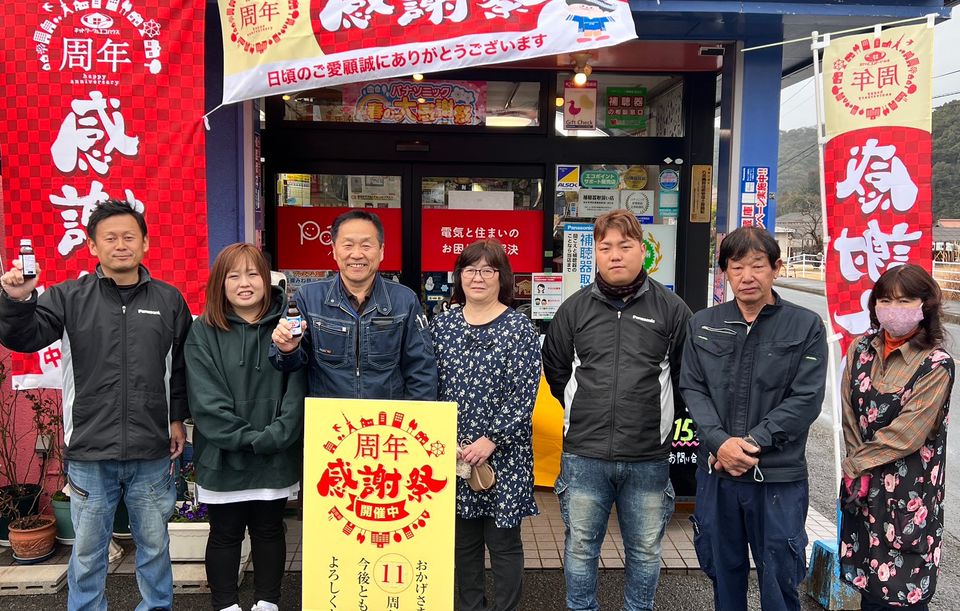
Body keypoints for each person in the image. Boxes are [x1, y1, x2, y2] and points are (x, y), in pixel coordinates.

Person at [0, 200, 191, 610]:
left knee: (155, 547)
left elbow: (179, 367)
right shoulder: (69, 297)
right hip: (89, 449)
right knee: (87, 553)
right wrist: (17, 301)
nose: (121, 245)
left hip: (151, 449)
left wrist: (177, 418)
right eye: (110, 238)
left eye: (129, 237)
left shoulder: (169, 299)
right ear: (92, 246)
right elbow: (25, 338)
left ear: (145, 243)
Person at [542, 209, 691, 611]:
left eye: (624, 246)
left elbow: (686, 377)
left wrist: (656, 419)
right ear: (595, 252)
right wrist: (583, 409)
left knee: (645, 550)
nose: (615, 255)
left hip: (648, 457)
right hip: (584, 455)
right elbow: (557, 371)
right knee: (580, 548)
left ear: (642, 249)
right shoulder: (573, 310)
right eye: (605, 247)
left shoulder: (672, 309)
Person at [679, 226, 827, 611]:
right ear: (725, 272)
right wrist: (719, 442)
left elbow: (806, 398)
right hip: (717, 474)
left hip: (777, 476)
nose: (747, 276)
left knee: (780, 579)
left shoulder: (806, 325)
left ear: (776, 268)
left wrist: (749, 443)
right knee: (723, 573)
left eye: (758, 265)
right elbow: (692, 388)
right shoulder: (703, 323)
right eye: (737, 266)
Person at [185, 244, 307, 611]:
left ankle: (268, 602)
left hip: (275, 452)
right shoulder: (203, 331)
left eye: (253, 274)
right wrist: (251, 439)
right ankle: (225, 604)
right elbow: (205, 400)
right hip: (223, 454)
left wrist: (277, 436)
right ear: (219, 283)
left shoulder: (289, 326)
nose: (244, 283)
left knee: (269, 529)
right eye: (233, 275)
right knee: (225, 532)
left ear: (267, 280)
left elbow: (297, 388)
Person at [431, 240, 541, 611]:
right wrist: (444, 438)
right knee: (463, 545)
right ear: (459, 276)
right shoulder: (442, 326)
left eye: (487, 270)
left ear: (501, 277)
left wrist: (491, 439)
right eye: (470, 269)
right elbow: (429, 384)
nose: (478, 278)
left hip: (504, 455)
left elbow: (524, 393)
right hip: (454, 453)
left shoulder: (519, 327)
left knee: (504, 543)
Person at [839, 264, 954, 610]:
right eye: (886, 300)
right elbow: (849, 414)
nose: (893, 308)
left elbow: (906, 434)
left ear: (924, 306)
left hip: (908, 497)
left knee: (903, 596)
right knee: (868, 591)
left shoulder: (936, 364)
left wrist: (855, 464)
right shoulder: (860, 349)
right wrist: (856, 465)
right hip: (864, 492)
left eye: (904, 301)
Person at [270, 210, 437, 400]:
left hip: (384, 416)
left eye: (366, 245)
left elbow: (422, 370)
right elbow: (286, 365)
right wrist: (288, 349)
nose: (357, 254)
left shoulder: (404, 300)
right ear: (334, 250)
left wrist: (413, 416)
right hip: (330, 416)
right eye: (348, 245)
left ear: (381, 251)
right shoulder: (308, 298)